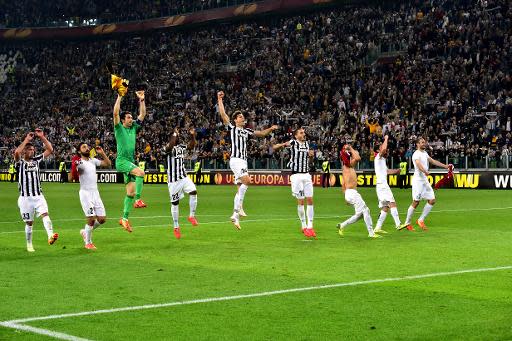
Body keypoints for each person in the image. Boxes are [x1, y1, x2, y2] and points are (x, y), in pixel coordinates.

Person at [217, 91, 278, 230]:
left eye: (243, 116)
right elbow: (223, 114)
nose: (242, 118)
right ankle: (236, 211)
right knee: (248, 181)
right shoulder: (232, 128)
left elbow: (261, 134)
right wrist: (219, 99)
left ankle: (236, 216)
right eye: (240, 117)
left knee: (240, 187)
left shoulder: (247, 131)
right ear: (235, 120)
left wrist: (271, 128)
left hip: (243, 161)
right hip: (236, 159)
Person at [14, 129, 59, 252]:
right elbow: (16, 152)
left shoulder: (37, 160)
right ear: (25, 151)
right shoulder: (20, 163)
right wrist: (27, 140)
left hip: (38, 196)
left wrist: (42, 137)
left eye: (33, 149)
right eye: (29, 149)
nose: (32, 151)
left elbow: (50, 150)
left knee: (45, 214)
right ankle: (29, 244)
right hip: (25, 198)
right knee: (29, 223)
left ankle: (50, 235)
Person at [113, 90, 147, 233]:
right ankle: (139, 200)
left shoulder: (133, 127)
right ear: (122, 120)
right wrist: (120, 96)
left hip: (130, 161)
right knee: (141, 173)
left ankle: (124, 218)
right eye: (128, 117)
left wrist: (142, 100)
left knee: (130, 193)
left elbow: (143, 114)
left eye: (131, 117)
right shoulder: (119, 128)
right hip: (122, 161)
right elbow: (115, 113)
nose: (131, 119)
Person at [399, 137, 451, 231]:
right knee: (416, 202)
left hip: (424, 180)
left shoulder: (425, 153)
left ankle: (421, 220)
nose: (424, 144)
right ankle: (407, 223)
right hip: (418, 181)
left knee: (432, 200)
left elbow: (433, 161)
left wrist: (445, 166)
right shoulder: (416, 154)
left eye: (424, 142)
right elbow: (418, 165)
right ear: (417, 144)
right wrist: (425, 171)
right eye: (422, 142)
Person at [273, 127, 316, 238]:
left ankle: (310, 226)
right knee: (301, 201)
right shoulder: (293, 142)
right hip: (296, 176)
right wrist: (280, 145)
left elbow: (309, 161)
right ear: (296, 136)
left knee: (310, 200)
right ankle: (304, 225)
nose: (303, 134)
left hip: (306, 174)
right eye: (301, 133)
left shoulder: (307, 144)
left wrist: (311, 157)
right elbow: (276, 147)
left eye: (303, 132)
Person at [336, 144, 380, 238]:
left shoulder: (348, 167)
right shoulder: (347, 166)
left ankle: (342, 225)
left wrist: (345, 197)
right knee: (366, 210)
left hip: (350, 193)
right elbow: (358, 158)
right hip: (351, 192)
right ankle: (371, 233)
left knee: (360, 214)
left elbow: (357, 157)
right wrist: (351, 148)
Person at [165, 127, 199, 239]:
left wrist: (192, 135)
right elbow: (170, 146)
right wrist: (174, 133)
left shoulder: (181, 147)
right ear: (172, 137)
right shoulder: (166, 148)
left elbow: (191, 146)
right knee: (175, 203)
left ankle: (191, 216)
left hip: (183, 177)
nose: (178, 135)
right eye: (176, 135)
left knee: (193, 191)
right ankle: (176, 226)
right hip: (173, 181)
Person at [75, 143, 111, 249]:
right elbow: (74, 175)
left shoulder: (92, 160)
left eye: (87, 147)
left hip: (95, 193)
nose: (87, 148)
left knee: (102, 219)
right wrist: (77, 168)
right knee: (91, 219)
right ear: (79, 151)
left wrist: (102, 153)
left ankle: (85, 232)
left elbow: (108, 163)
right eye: (83, 147)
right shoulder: (79, 162)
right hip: (85, 193)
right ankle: (88, 243)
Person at [373, 135, 403, 233]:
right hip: (382, 185)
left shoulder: (382, 160)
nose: (386, 150)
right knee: (392, 203)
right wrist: (386, 139)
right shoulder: (378, 157)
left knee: (385, 207)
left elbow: (387, 171)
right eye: (382, 148)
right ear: (378, 150)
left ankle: (377, 228)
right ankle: (398, 224)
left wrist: (397, 171)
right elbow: (383, 149)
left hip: (380, 185)